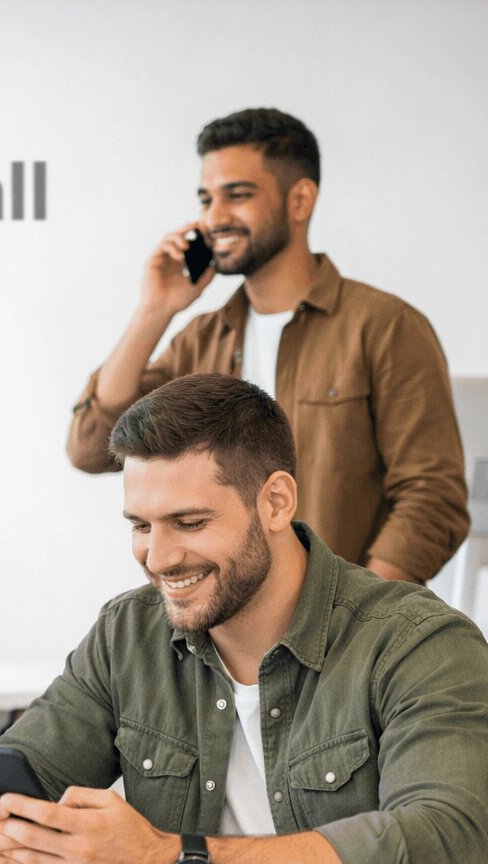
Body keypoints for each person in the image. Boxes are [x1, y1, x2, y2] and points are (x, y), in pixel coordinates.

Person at [0, 373, 488, 864]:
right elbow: (1, 774)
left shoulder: (420, 643)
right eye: (141, 526)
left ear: (276, 503)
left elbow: (450, 850)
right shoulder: (127, 634)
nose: (158, 559)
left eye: (189, 522)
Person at [67, 107, 467, 584]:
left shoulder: (386, 327)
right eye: (205, 199)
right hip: (219, 629)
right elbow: (91, 447)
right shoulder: (200, 341)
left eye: (237, 195)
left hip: (345, 633)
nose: (214, 217)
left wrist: (358, 618)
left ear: (300, 200)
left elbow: (431, 498)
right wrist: (154, 310)